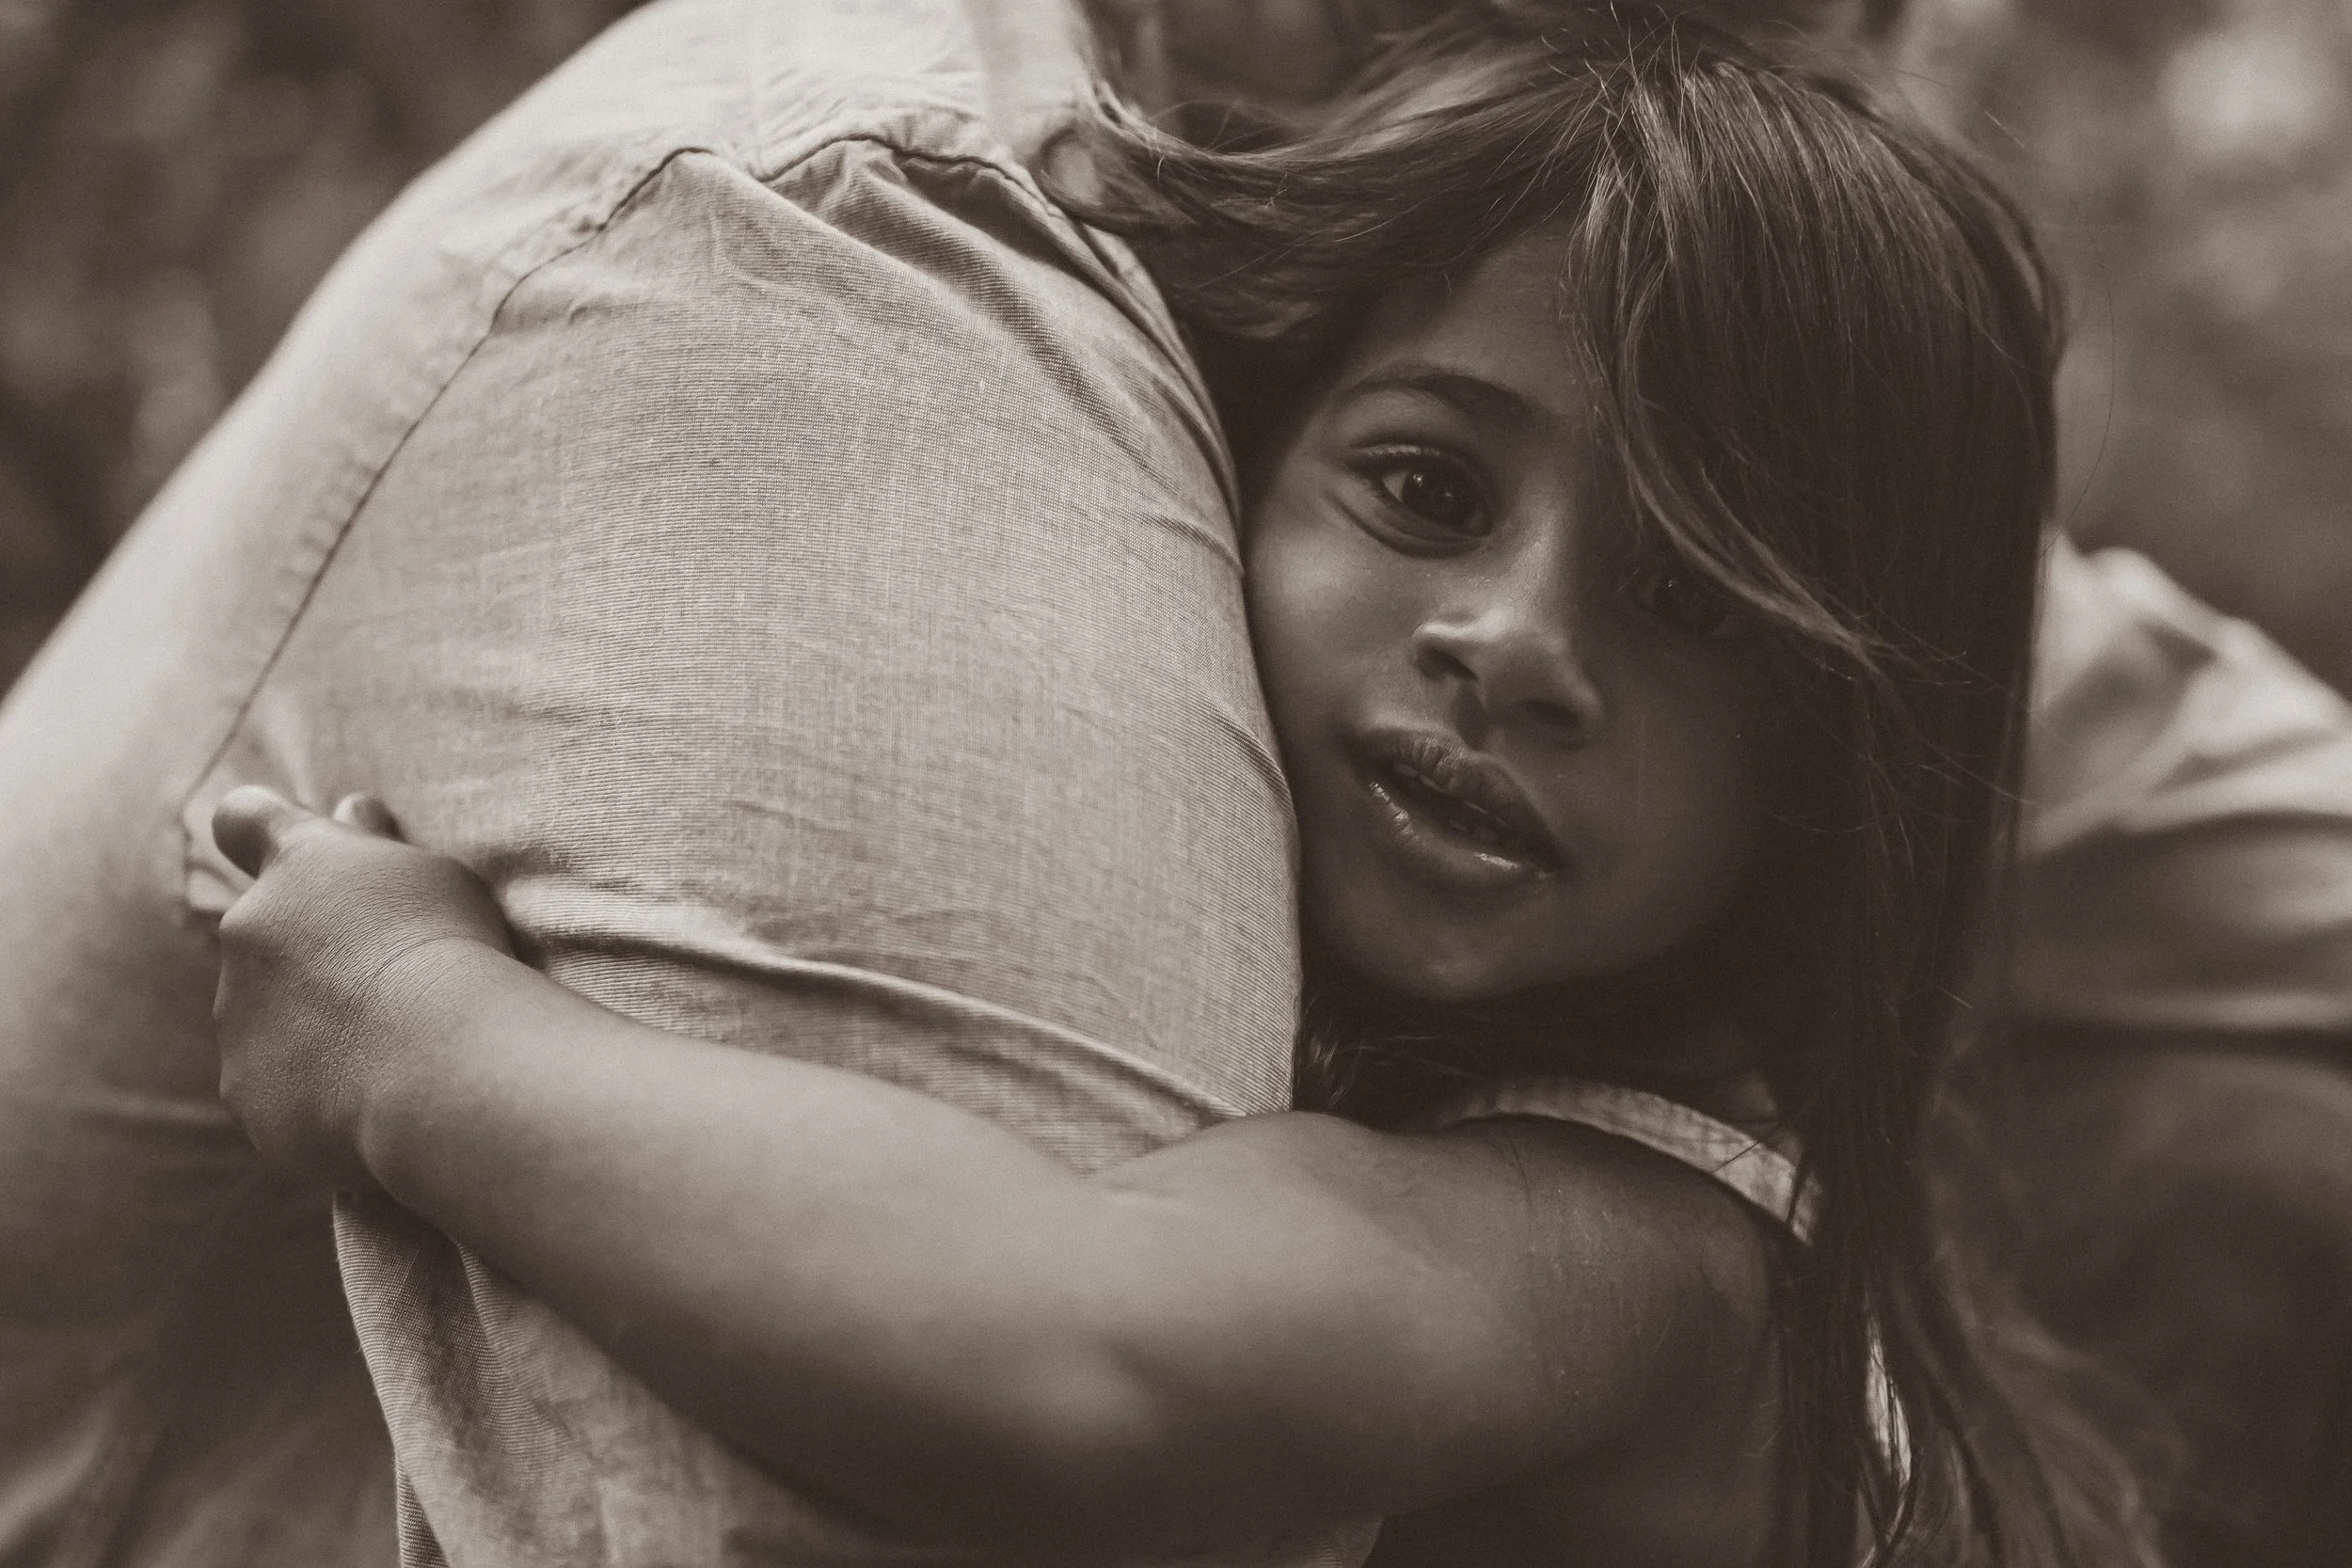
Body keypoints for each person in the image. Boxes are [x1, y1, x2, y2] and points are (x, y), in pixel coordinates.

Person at [209, 13, 2146, 1564]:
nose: (1516, 643)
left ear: (1834, 758)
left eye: (1695, 600)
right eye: (1426, 487)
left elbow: (1076, 1359)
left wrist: (412, 1040)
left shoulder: (1660, 1257)